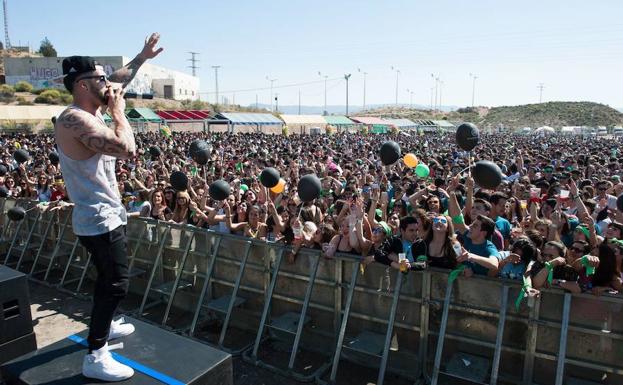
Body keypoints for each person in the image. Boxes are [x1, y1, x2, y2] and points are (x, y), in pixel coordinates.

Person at [54, 33, 163, 382]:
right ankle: (96, 354)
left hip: (105, 212)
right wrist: (119, 111)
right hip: (97, 216)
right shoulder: (76, 119)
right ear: (82, 86)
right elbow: (126, 148)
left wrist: (143, 56)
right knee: (116, 283)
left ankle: (108, 324)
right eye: (101, 79)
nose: (109, 83)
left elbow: (121, 76)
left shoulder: (89, 106)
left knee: (107, 279)